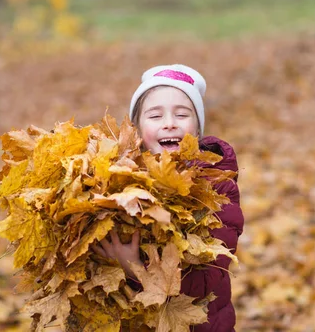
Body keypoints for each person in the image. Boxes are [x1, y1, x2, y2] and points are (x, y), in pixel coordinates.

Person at [95, 64, 245, 331]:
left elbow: (207, 278)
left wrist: (134, 269)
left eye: (182, 114)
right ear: (137, 132)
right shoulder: (121, 182)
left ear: (197, 130)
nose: (169, 123)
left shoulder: (216, 186)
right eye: (155, 115)